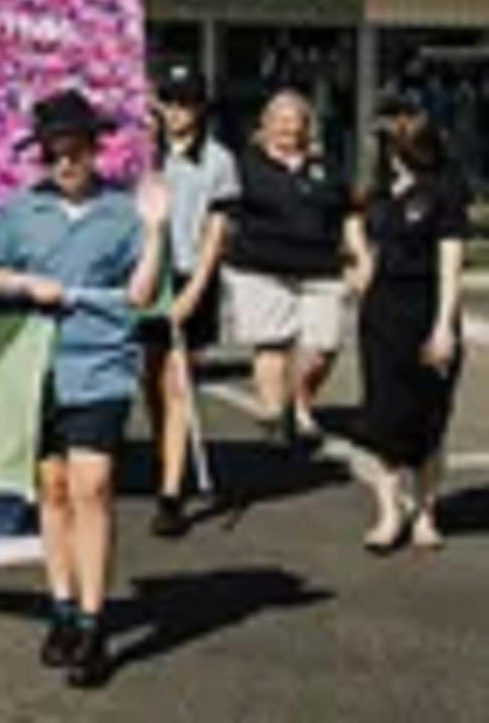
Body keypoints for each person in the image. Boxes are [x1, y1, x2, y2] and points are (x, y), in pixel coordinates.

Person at [0, 90, 169, 690]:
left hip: (101, 364)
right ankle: (60, 610)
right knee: (53, 489)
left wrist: (159, 229)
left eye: (76, 152)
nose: (65, 164)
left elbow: (141, 295)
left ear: (95, 151)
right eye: (54, 154)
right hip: (34, 367)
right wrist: (24, 283)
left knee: (95, 485)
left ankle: (93, 622)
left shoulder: (123, 211)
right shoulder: (19, 211)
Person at [348, 95, 469, 553]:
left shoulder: (445, 185)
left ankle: (426, 512)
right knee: (382, 415)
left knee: (428, 418)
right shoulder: (379, 186)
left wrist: (444, 327)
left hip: (427, 307)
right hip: (381, 313)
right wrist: (361, 259)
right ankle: (388, 511)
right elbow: (355, 220)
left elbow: (451, 260)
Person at [222, 90, 366, 445]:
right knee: (271, 344)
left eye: (296, 120)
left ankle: (299, 398)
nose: (289, 128)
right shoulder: (244, 165)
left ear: (307, 127)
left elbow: (348, 214)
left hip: (321, 267)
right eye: (281, 120)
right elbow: (224, 217)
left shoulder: (327, 166)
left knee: (324, 346)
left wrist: (361, 257)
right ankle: (275, 417)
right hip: (261, 267)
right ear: (265, 126)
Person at [142, 67, 239, 539]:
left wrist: (194, 291)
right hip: (145, 275)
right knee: (152, 379)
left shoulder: (219, 161)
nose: (178, 111)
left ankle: (171, 492)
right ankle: (166, 455)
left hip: (186, 275)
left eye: (187, 103)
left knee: (178, 382)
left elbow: (215, 235)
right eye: (171, 101)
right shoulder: (142, 156)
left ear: (202, 109)